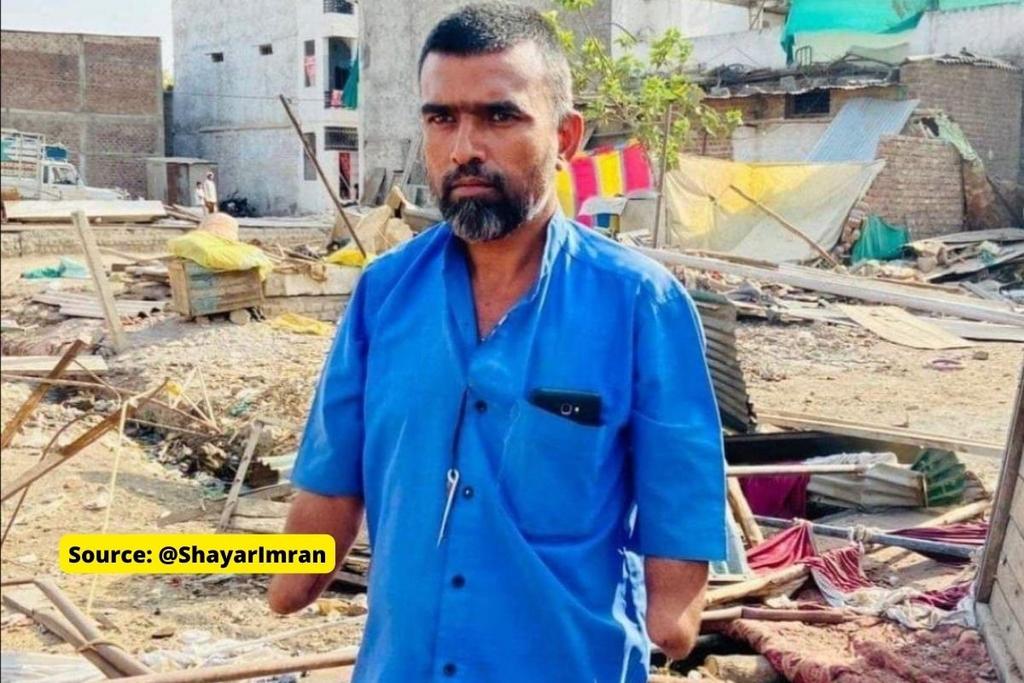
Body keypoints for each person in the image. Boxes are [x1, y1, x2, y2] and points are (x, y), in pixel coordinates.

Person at [268, 4, 726, 681]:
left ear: (565, 136)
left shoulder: (639, 304)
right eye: (441, 118)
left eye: (499, 117)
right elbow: (331, 486)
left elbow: (680, 493)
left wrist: (673, 607)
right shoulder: (383, 294)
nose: (464, 149)